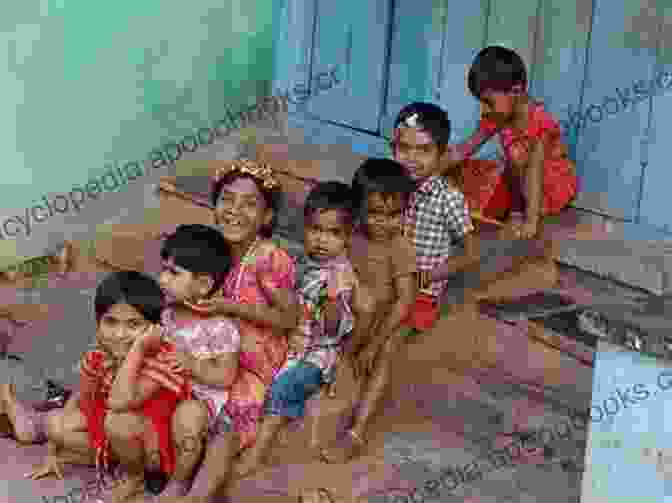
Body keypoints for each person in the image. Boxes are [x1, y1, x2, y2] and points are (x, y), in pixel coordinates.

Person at [157, 159, 299, 502]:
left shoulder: (268, 258)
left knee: (226, 427)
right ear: (215, 203)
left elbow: (288, 320)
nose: (235, 211)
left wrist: (228, 308)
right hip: (208, 347)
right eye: (227, 199)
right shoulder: (209, 248)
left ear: (267, 218)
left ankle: (198, 494)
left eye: (250, 204)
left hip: (251, 361)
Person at [0, 271, 191, 502]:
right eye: (110, 322)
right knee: (55, 423)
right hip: (120, 439)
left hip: (156, 449)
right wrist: (52, 450)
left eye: (133, 324)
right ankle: (111, 460)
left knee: (117, 420)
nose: (119, 334)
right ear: (98, 322)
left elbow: (120, 403)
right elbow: (82, 398)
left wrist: (139, 349)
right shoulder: (99, 357)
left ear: (154, 328)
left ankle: (135, 476)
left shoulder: (163, 359)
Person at [233, 181, 357, 477]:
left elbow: (332, 329)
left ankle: (257, 453)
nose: (322, 240)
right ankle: (235, 438)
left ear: (348, 236)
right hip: (288, 342)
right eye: (316, 230)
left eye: (333, 233)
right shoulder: (299, 261)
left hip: (316, 354)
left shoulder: (340, 276)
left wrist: (332, 300)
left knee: (282, 389)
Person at [320, 158, 417, 463]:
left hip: (387, 321)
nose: (384, 222)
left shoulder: (400, 247)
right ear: (357, 208)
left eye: (393, 215)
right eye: (374, 213)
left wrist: (374, 344)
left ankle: (356, 433)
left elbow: (405, 301)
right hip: (355, 311)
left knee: (384, 357)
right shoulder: (350, 236)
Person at [150, 224, 252, 503]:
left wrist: (191, 364)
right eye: (163, 269)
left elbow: (225, 376)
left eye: (173, 273)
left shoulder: (218, 327)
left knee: (188, 418)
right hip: (165, 389)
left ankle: (179, 483)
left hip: (200, 400)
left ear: (204, 285)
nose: (162, 279)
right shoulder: (167, 316)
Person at [446, 45, 578, 239]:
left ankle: (519, 212)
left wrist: (530, 222)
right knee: (495, 169)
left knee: (513, 157)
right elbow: (466, 148)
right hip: (522, 179)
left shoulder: (539, 123)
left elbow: (535, 170)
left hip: (549, 185)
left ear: (516, 91)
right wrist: (430, 168)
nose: (484, 110)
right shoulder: (498, 115)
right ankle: (509, 213)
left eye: (488, 102)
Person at [390, 102, 480, 334]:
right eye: (404, 148)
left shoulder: (447, 198)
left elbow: (471, 253)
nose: (412, 158)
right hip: (389, 281)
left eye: (424, 150)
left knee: (394, 331)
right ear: (392, 148)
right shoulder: (391, 188)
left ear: (441, 153)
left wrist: (427, 277)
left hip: (421, 292)